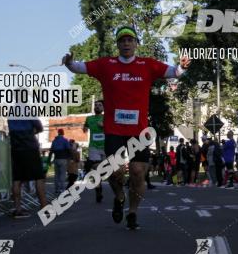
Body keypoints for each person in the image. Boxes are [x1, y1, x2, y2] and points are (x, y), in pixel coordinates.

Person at [62, 25, 190, 230]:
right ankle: (120, 196)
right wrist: (68, 63)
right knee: (116, 173)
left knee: (138, 171)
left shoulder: (147, 65)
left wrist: (182, 67)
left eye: (130, 40)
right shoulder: (106, 65)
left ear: (136, 44)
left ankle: (132, 212)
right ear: (118, 45)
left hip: (139, 131)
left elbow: (174, 72)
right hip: (114, 130)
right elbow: (80, 67)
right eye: (122, 40)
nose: (126, 44)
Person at [7, 117, 48, 218]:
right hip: (30, 148)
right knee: (38, 177)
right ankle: (44, 208)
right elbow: (40, 128)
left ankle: (18, 210)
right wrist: (32, 132)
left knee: (17, 179)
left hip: (16, 149)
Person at [83, 100, 106, 202]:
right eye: (95, 105)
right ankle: (98, 190)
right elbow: (85, 127)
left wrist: (104, 126)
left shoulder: (106, 118)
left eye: (99, 105)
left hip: (105, 147)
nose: (97, 106)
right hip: (93, 147)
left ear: (103, 108)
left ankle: (99, 183)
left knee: (103, 170)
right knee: (96, 168)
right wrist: (84, 128)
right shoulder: (89, 118)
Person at [46, 129, 71, 196]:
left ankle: (57, 189)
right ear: (63, 133)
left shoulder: (54, 141)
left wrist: (49, 160)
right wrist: (70, 158)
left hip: (56, 159)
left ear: (58, 133)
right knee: (62, 175)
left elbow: (51, 151)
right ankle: (62, 189)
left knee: (56, 175)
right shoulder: (65, 140)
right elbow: (69, 149)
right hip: (63, 159)